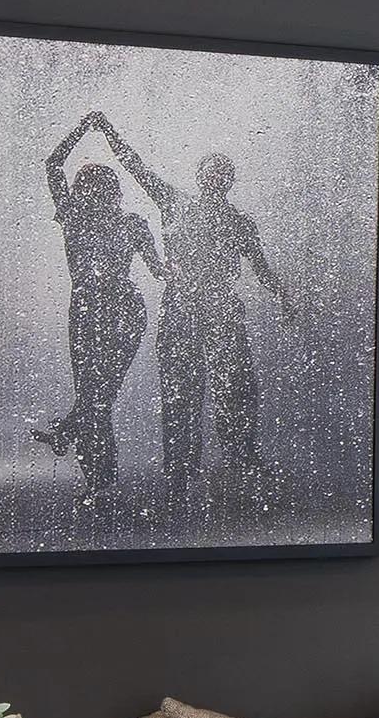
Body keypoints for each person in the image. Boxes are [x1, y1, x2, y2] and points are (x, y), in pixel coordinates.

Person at [93, 117, 288, 491]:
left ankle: (237, 455)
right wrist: (110, 134)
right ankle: (183, 465)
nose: (216, 178)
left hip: (217, 308)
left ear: (228, 181)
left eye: (222, 173)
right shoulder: (175, 204)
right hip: (184, 308)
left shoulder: (238, 222)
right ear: (201, 178)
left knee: (237, 385)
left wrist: (283, 296)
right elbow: (135, 166)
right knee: (182, 388)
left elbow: (261, 268)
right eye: (211, 172)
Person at [37, 117, 160, 496]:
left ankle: (84, 455)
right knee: (96, 397)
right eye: (86, 190)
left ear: (111, 194)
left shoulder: (117, 224)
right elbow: (52, 165)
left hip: (112, 310)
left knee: (97, 395)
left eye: (96, 190)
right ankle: (99, 480)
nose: (91, 196)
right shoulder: (84, 220)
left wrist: (88, 129)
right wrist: (91, 129)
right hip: (100, 310)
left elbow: (160, 269)